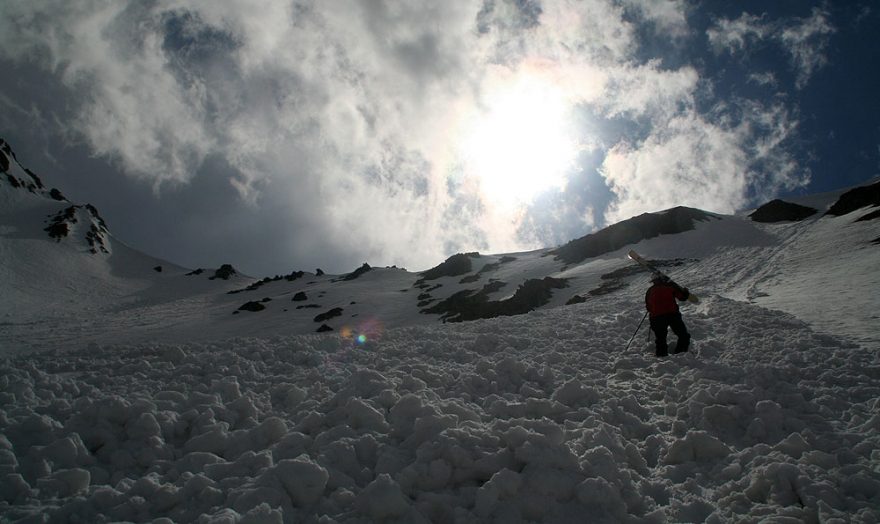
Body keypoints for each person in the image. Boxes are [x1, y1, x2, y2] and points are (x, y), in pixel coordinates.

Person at [645, 274, 691, 357]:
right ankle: (680, 354)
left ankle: (662, 357)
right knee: (683, 335)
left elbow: (648, 306)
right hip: (672, 315)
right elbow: (682, 297)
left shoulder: (650, 291)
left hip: (656, 318)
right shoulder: (670, 287)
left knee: (660, 339)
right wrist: (686, 292)